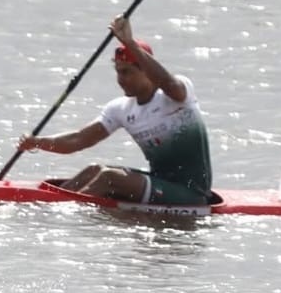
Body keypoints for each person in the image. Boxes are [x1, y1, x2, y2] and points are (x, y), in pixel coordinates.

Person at [16, 15, 213, 206]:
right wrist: (37, 142)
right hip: (161, 182)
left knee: (109, 177)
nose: (120, 79)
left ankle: (65, 213)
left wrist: (130, 43)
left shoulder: (176, 95)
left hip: (191, 192)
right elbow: (77, 139)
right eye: (118, 72)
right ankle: (49, 205)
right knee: (93, 170)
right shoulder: (121, 109)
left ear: (146, 70)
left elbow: (169, 83)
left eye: (127, 72)